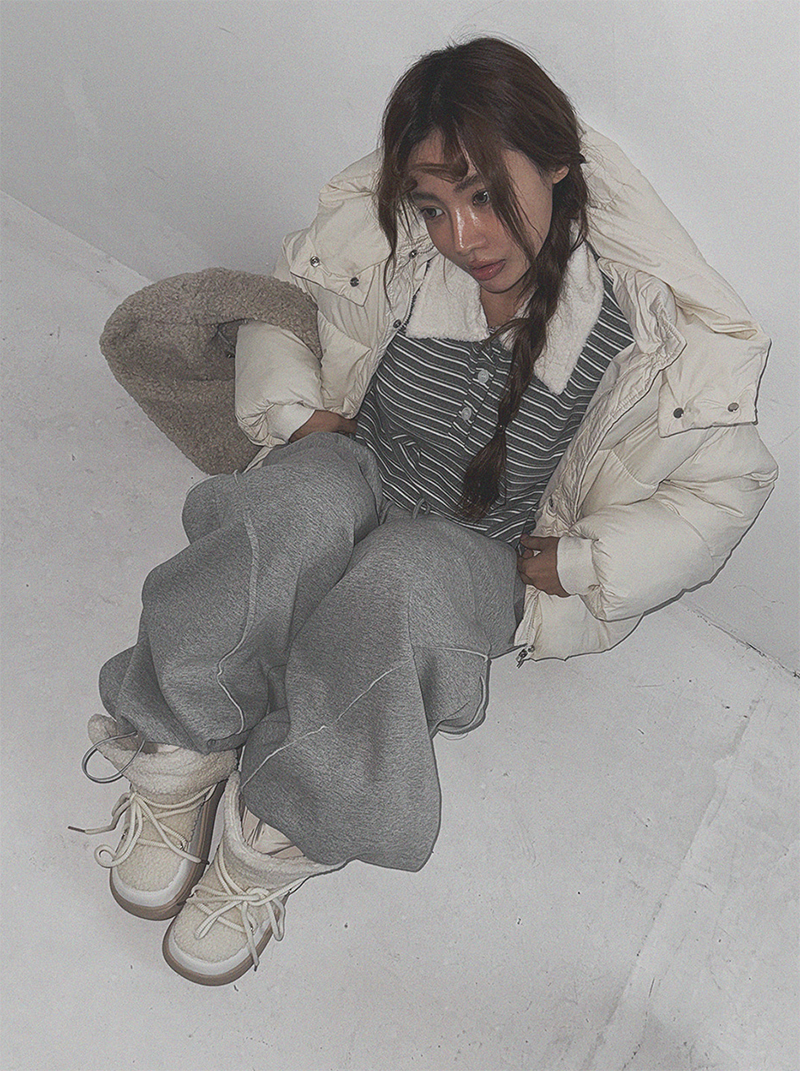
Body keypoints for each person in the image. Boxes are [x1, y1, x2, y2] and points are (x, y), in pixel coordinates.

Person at [74, 37, 777, 987]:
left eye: (484, 195)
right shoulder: (396, 247)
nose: (461, 235)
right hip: (366, 464)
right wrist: (294, 409)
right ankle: (180, 740)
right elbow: (294, 297)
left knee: (398, 589)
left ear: (556, 165)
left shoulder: (644, 329)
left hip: (475, 546)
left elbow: (729, 485)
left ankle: (285, 822)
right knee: (285, 509)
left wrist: (586, 562)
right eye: (434, 205)